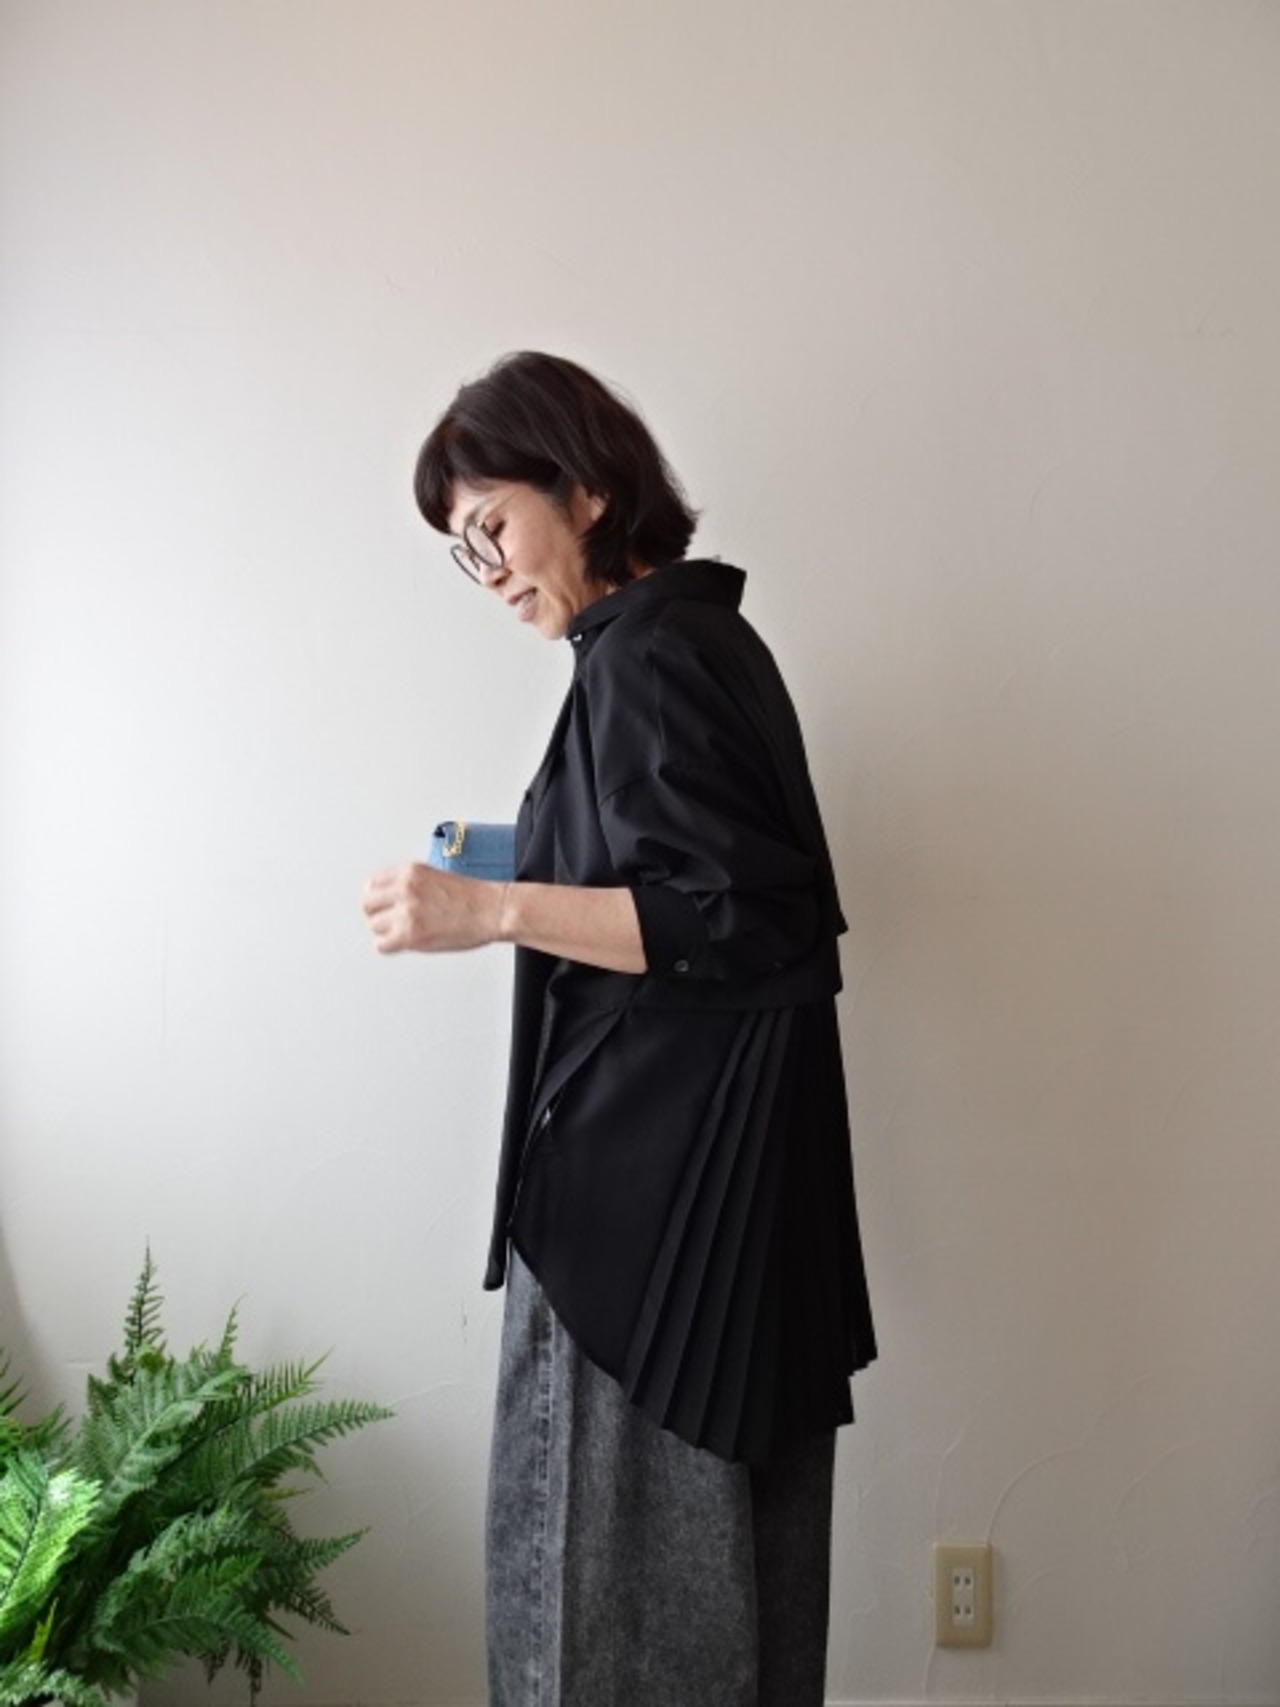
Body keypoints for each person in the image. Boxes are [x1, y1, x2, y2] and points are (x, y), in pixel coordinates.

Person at [362, 352, 876, 1707]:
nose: (489, 572)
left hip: (644, 1241)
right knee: (733, 1617)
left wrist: (488, 910)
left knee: (597, 1629)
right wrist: (535, 860)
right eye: (464, 550)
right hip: (722, 1228)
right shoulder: (695, 645)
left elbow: (732, 913)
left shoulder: (646, 658)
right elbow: (713, 884)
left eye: (494, 525)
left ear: (586, 491)